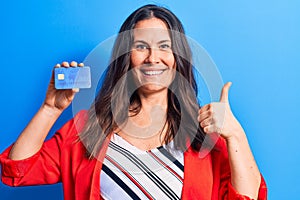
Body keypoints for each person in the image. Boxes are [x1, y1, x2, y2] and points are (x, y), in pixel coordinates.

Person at [0, 4, 267, 200]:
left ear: (178, 58)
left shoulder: (203, 134)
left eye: (164, 46)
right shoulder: (88, 129)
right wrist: (50, 109)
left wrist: (235, 136)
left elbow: (248, 197)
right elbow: (17, 170)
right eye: (141, 47)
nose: (153, 57)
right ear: (126, 58)